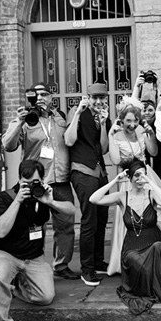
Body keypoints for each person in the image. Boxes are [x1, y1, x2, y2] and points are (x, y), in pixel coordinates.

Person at [0, 160, 75, 321]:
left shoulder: (42, 195)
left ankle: (13, 286)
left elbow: (71, 210)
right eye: (27, 181)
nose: (32, 186)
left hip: (33, 257)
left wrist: (50, 201)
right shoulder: (5, 198)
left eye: (36, 181)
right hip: (4, 254)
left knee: (45, 297)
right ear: (20, 179)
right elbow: (1, 231)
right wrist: (18, 201)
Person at [3, 82, 77, 280]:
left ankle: (61, 265)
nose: (41, 98)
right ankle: (34, 266)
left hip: (61, 178)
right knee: (35, 226)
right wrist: (19, 122)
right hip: (36, 181)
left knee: (66, 224)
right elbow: (8, 145)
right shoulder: (27, 119)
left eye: (45, 94)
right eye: (36, 95)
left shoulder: (60, 117)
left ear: (51, 97)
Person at [106, 97, 161, 281]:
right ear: (121, 120)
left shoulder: (142, 130)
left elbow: (154, 152)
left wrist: (149, 135)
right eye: (128, 121)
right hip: (128, 179)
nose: (132, 124)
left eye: (135, 120)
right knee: (131, 220)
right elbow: (116, 161)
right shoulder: (116, 136)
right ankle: (131, 259)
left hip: (146, 175)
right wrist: (110, 136)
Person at [90, 159, 161, 314]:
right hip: (132, 245)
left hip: (154, 240)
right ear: (130, 178)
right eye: (137, 176)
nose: (140, 180)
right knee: (134, 258)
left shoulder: (151, 194)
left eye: (143, 175)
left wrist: (148, 180)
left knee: (158, 247)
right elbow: (94, 199)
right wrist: (115, 180)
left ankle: (156, 290)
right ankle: (145, 289)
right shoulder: (122, 196)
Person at [65, 82, 111, 287]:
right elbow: (69, 140)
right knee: (89, 219)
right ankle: (87, 269)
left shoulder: (104, 117)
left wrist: (103, 125)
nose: (98, 102)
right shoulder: (76, 112)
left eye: (102, 98)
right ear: (88, 97)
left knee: (102, 217)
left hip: (99, 170)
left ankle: (98, 261)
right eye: (95, 98)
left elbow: (104, 148)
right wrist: (77, 114)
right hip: (82, 171)